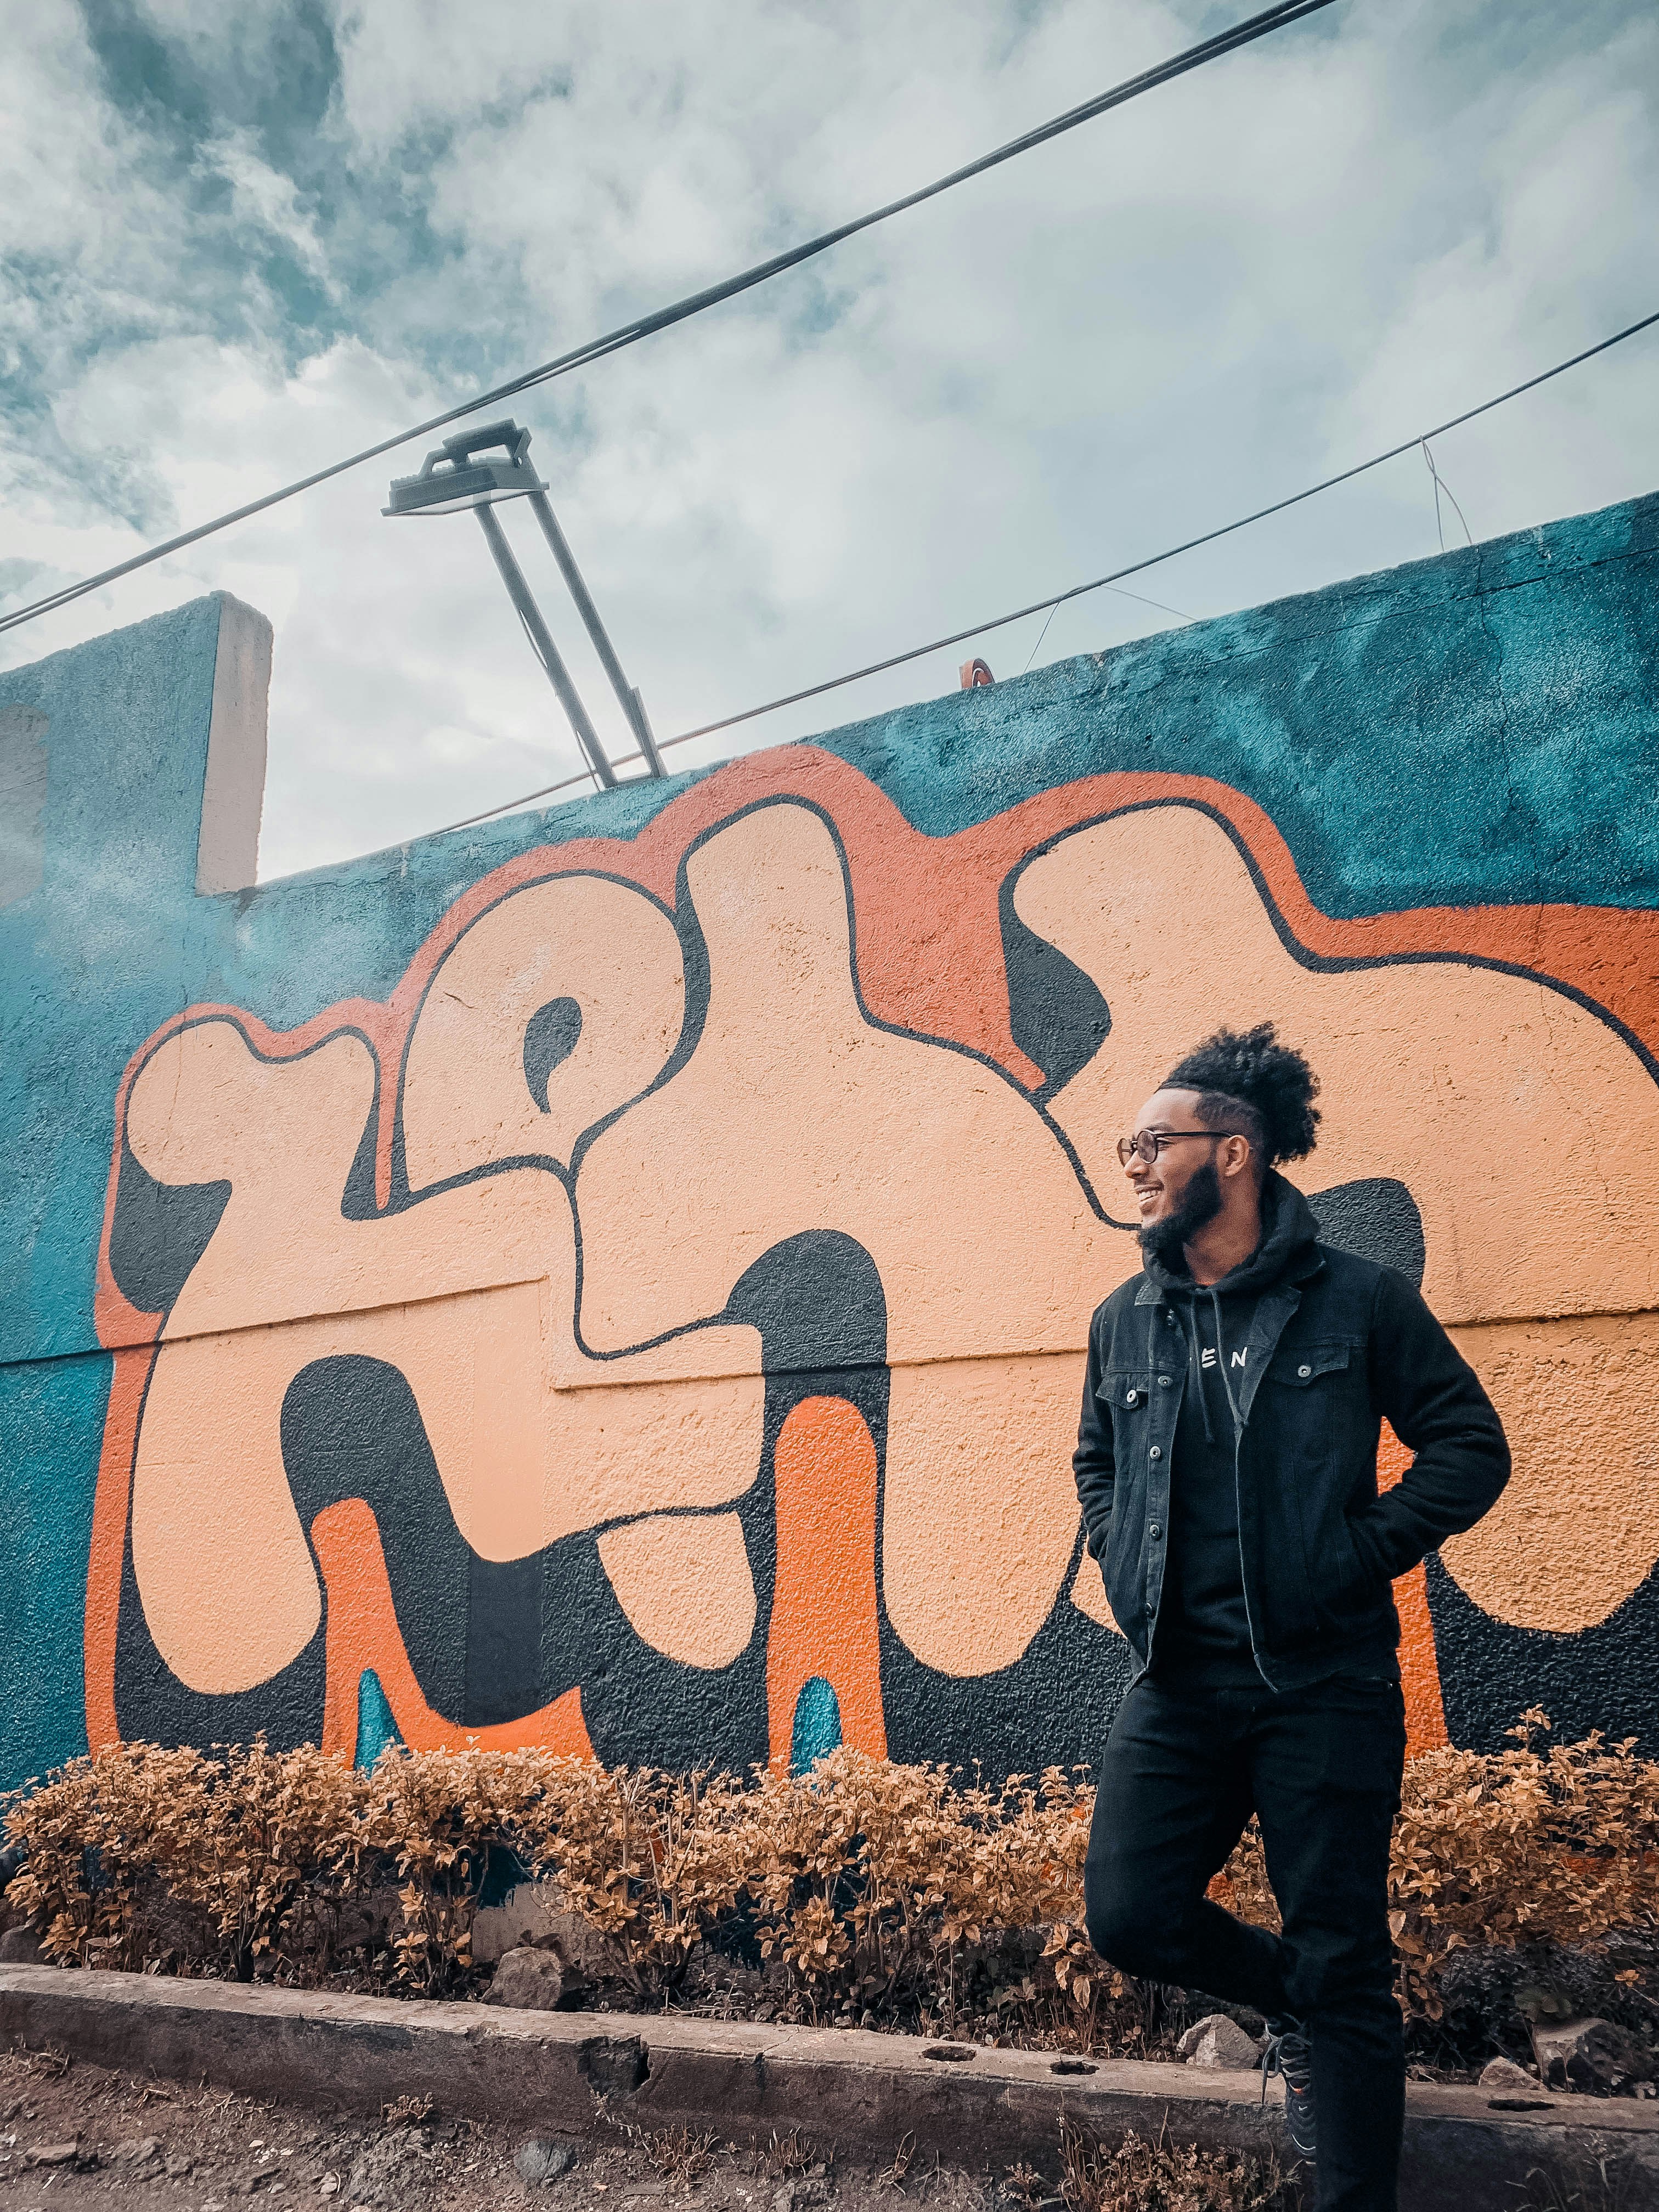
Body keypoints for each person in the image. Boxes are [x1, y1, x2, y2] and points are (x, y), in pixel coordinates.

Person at [1072, 1023, 1509, 2212]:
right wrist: (1117, 1553)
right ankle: (1302, 2003)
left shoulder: (1359, 1300)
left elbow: (1469, 1447)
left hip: (1325, 1682)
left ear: (1234, 1152)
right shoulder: (1126, 1317)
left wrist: (1353, 1557)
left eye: (1151, 1143)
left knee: (1345, 1955)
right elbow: (1097, 1462)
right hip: (1179, 1679)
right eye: (1128, 1146)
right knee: (1132, 1915)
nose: (1132, 1165)